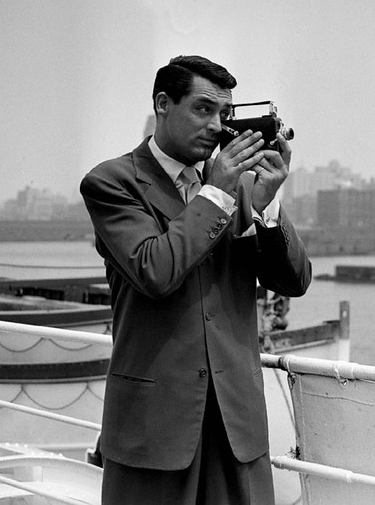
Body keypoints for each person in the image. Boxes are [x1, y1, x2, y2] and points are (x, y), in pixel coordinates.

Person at [80, 55, 312, 504]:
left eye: (224, 114)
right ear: (163, 104)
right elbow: (155, 270)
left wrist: (266, 206)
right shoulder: (112, 182)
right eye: (203, 109)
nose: (215, 125)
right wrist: (220, 193)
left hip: (236, 423)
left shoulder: (237, 186)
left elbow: (295, 280)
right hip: (154, 427)